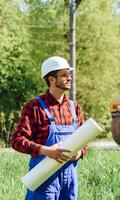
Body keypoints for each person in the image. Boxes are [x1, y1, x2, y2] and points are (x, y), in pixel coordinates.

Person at [10, 56, 87, 200]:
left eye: (69, 75)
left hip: (70, 180)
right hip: (44, 180)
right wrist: (45, 150)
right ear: (51, 79)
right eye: (64, 75)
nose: (69, 78)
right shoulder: (34, 107)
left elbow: (84, 141)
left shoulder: (74, 108)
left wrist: (80, 152)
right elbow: (16, 140)